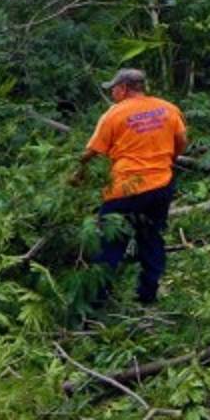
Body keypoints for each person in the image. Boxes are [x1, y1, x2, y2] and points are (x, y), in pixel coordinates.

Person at [71, 68, 186, 305]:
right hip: (160, 186)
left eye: (113, 88)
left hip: (124, 190)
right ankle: (148, 295)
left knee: (109, 243)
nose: (112, 93)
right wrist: (165, 161)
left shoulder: (114, 115)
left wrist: (75, 172)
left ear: (123, 88)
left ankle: (96, 302)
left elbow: (92, 152)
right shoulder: (168, 108)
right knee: (151, 237)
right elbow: (181, 142)